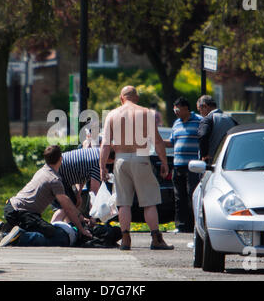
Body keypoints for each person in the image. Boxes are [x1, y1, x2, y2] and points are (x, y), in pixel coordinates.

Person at [99, 85, 173, 250]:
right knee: (149, 202)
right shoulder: (146, 113)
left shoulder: (112, 114)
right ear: (137, 98)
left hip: (120, 159)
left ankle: (126, 239)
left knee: (123, 202)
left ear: (121, 98)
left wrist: (102, 166)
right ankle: (156, 239)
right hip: (141, 157)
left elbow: (105, 144)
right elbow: (158, 141)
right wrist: (164, 162)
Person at [0, 145, 92, 247]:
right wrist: (82, 230)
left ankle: (3, 229)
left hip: (10, 207)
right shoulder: (55, 180)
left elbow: (68, 204)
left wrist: (81, 217)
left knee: (37, 225)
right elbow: (67, 207)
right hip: (22, 213)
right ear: (60, 158)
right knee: (52, 233)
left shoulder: (42, 170)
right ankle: (16, 237)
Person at [164, 97, 202, 233]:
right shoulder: (176, 123)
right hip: (178, 165)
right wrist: (157, 141)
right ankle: (181, 225)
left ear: (186, 108)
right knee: (179, 196)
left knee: (192, 195)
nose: (176, 112)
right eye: (174, 109)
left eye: (178, 109)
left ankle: (195, 225)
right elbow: (171, 142)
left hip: (192, 165)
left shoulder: (199, 121)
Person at [50, 146, 116, 223]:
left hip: (56, 170)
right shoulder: (98, 163)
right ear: (111, 160)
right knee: (65, 206)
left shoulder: (96, 151)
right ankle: (53, 227)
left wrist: (78, 194)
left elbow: (83, 172)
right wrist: (93, 218)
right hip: (56, 175)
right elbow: (94, 193)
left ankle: (68, 227)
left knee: (72, 202)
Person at [197, 95, 238, 163]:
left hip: (212, 162)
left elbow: (203, 135)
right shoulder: (230, 119)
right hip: (229, 161)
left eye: (199, 110)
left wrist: (204, 155)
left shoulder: (207, 119)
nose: (200, 114)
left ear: (205, 106)